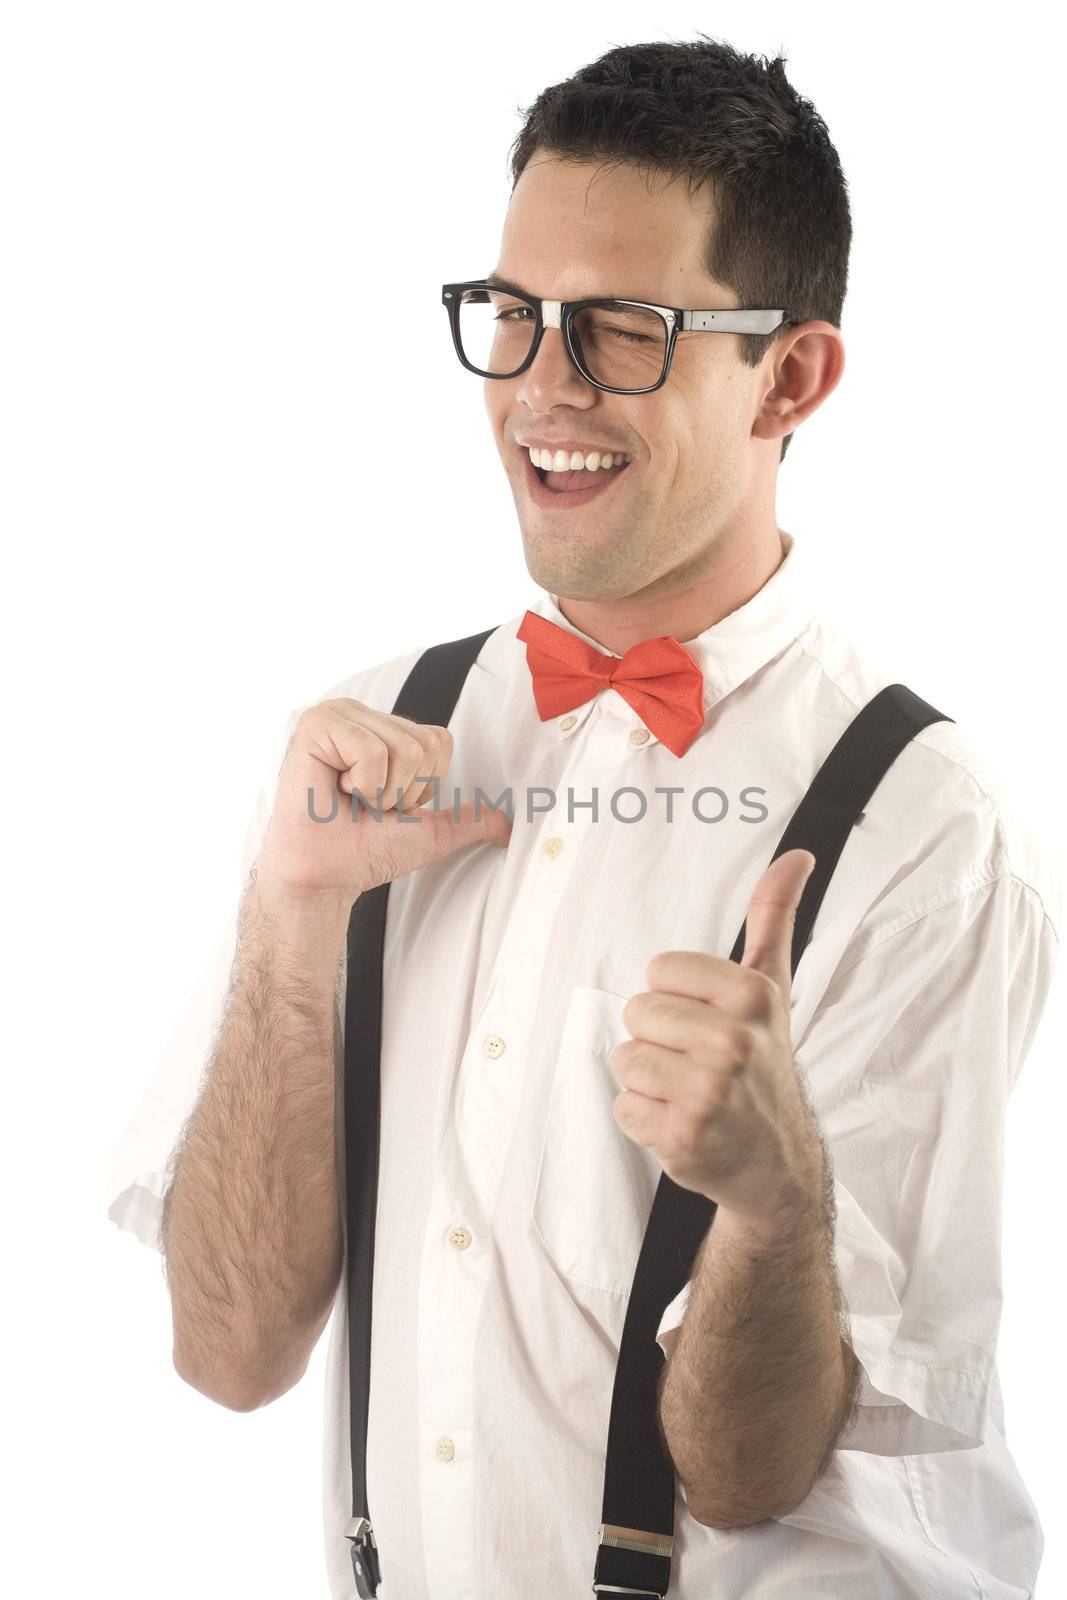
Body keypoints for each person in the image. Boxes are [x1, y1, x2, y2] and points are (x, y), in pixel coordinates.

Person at [107, 35, 1060, 1599]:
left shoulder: (929, 832)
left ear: (794, 376)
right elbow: (226, 1352)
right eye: (514, 315)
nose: (545, 385)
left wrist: (772, 1191)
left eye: (624, 329)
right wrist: (291, 929)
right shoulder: (375, 738)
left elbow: (750, 1472)